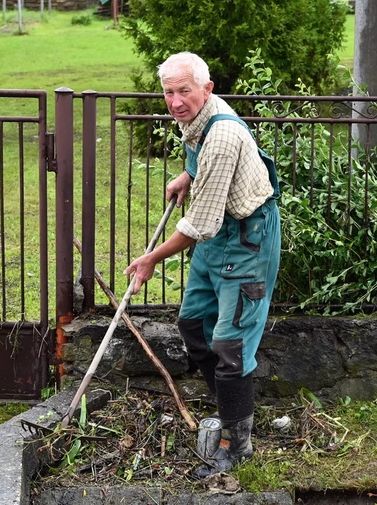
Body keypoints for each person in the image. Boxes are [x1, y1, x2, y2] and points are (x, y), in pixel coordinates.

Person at [124, 52, 281, 477]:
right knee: (194, 325)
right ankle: (230, 406)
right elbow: (201, 156)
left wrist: (152, 258)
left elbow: (200, 224)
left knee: (230, 343)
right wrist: (187, 175)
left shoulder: (224, 134)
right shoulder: (197, 117)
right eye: (169, 92)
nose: (175, 102)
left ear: (206, 90)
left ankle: (236, 443)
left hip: (247, 238)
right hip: (219, 233)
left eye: (184, 91)